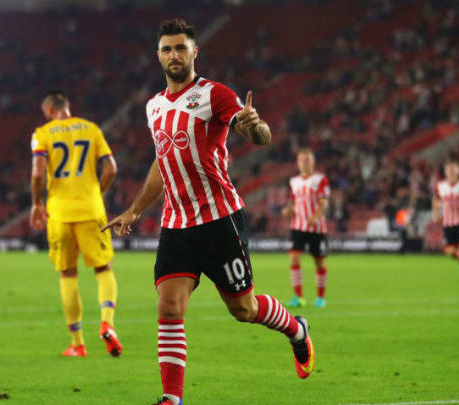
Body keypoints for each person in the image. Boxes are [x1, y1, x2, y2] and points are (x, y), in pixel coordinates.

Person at [103, 19, 315, 405]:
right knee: (168, 305)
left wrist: (255, 127)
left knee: (244, 309)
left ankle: (297, 330)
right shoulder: (153, 107)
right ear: (158, 55)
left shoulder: (213, 94)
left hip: (219, 220)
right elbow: (162, 162)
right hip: (176, 225)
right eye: (167, 49)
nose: (174, 55)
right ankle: (172, 397)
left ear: (194, 52)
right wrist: (135, 210)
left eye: (181, 48)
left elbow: (259, 135)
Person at [29, 90, 122, 357]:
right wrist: (95, 193)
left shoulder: (43, 133)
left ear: (49, 111)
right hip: (91, 209)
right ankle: (107, 323)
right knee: (104, 268)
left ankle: (77, 343)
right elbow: (112, 169)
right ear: (67, 108)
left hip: (59, 212)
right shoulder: (91, 129)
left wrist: (37, 204)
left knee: (68, 274)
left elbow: (37, 173)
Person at [281, 149, 330, 308]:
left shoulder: (320, 179)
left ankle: (320, 298)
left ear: (313, 162)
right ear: (297, 162)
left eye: (307, 160)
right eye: (302, 160)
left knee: (319, 263)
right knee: (294, 258)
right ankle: (298, 297)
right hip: (298, 226)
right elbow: (294, 200)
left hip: (317, 228)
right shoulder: (294, 181)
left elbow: (324, 202)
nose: (304, 163)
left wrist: (315, 217)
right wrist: (288, 209)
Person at [432, 160, 459, 286]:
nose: (451, 171)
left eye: (453, 169)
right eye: (448, 169)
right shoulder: (440, 186)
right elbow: (435, 200)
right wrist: (435, 214)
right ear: (445, 172)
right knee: (450, 252)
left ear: (458, 171)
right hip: (447, 223)